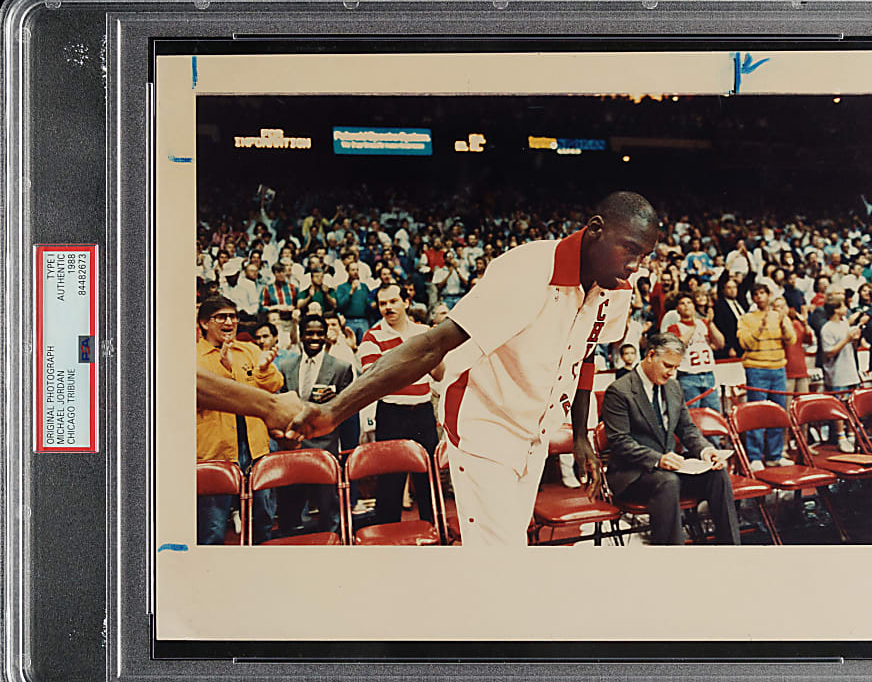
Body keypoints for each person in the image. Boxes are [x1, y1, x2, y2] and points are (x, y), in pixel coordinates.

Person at [284, 191, 661, 546]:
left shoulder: (617, 287)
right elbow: (431, 345)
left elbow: (587, 354)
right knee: (498, 559)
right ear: (595, 229)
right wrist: (336, 409)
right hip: (485, 426)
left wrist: (579, 436)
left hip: (534, 432)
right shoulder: (528, 270)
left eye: (643, 255)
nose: (635, 266)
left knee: (506, 550)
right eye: (629, 249)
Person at [601, 333, 738, 545]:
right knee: (668, 481)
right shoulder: (619, 391)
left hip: (670, 470)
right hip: (634, 474)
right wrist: (658, 459)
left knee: (717, 473)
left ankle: (731, 550)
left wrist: (705, 451)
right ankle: (671, 560)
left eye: (676, 367)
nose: (672, 373)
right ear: (651, 355)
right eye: (667, 366)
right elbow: (620, 442)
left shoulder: (673, 387)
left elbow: (687, 428)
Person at [196, 296, 283, 544]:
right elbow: (203, 396)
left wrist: (265, 370)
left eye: (233, 316)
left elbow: (275, 385)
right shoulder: (193, 357)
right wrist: (225, 368)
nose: (229, 322)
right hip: (216, 451)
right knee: (213, 526)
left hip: (256, 447)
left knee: (263, 519)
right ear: (204, 323)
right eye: (221, 317)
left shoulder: (250, 350)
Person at [357, 283, 445, 525]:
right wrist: (419, 360)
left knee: (429, 477)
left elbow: (438, 374)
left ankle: (437, 532)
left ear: (406, 302)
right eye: (383, 303)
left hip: (423, 412)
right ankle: (388, 538)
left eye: (393, 301)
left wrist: (438, 351)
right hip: (392, 414)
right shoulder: (371, 336)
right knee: (390, 482)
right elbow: (377, 380)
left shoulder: (425, 331)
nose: (388, 307)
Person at [275, 314, 353, 536]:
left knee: (330, 514)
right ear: (301, 335)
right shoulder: (286, 365)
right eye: (310, 333)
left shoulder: (341, 368)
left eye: (320, 333)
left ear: (326, 336)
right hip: (293, 450)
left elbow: (348, 410)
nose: (315, 338)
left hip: (324, 450)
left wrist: (335, 398)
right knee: (290, 514)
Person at [737, 283, 797, 471]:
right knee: (757, 414)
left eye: (763, 293)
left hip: (778, 368)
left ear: (768, 295)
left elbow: (791, 340)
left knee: (777, 413)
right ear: (753, 298)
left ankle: (775, 455)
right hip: (756, 368)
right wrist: (760, 327)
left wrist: (783, 324)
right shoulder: (746, 319)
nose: (760, 297)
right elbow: (745, 343)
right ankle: (755, 457)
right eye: (756, 294)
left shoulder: (779, 315)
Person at [666, 293, 725, 414]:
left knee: (713, 414)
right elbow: (679, 347)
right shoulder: (674, 327)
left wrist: (710, 324)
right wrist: (692, 327)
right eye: (682, 303)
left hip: (708, 374)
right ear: (677, 309)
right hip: (688, 376)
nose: (686, 306)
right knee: (692, 415)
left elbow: (720, 343)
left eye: (689, 303)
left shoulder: (704, 323)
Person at [820, 294, 863, 452]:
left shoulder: (845, 323)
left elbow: (851, 346)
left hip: (850, 370)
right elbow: (829, 352)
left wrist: (854, 338)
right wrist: (846, 339)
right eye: (844, 306)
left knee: (851, 405)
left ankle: (852, 434)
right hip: (837, 374)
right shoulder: (827, 328)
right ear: (836, 309)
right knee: (839, 406)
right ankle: (841, 436)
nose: (847, 309)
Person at [334, 260, 372, 339]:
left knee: (365, 344)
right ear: (347, 271)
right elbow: (340, 305)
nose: (355, 272)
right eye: (353, 270)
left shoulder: (364, 287)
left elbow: (369, 302)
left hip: (363, 321)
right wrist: (351, 292)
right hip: (349, 321)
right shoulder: (342, 287)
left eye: (357, 270)